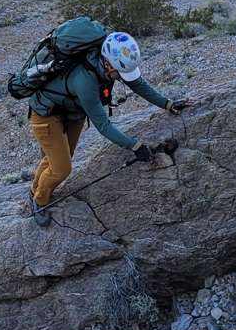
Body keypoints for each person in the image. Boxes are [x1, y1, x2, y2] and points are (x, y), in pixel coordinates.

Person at [27, 29, 189, 224]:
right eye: (120, 74)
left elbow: (138, 84)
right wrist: (135, 146)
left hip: (73, 112)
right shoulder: (85, 81)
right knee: (62, 169)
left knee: (61, 156)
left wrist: (168, 104)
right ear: (108, 64)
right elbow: (103, 126)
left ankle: (35, 189)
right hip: (46, 115)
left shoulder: (108, 64)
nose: (122, 78)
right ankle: (39, 200)